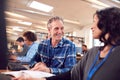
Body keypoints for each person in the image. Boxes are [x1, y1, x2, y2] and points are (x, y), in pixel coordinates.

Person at [13, 7, 120, 80]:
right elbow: (72, 74)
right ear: (49, 30)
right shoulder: (93, 53)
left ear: (107, 23)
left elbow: (70, 69)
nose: (92, 26)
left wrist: (49, 70)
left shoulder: (70, 46)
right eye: (56, 28)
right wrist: (40, 74)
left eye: (94, 21)